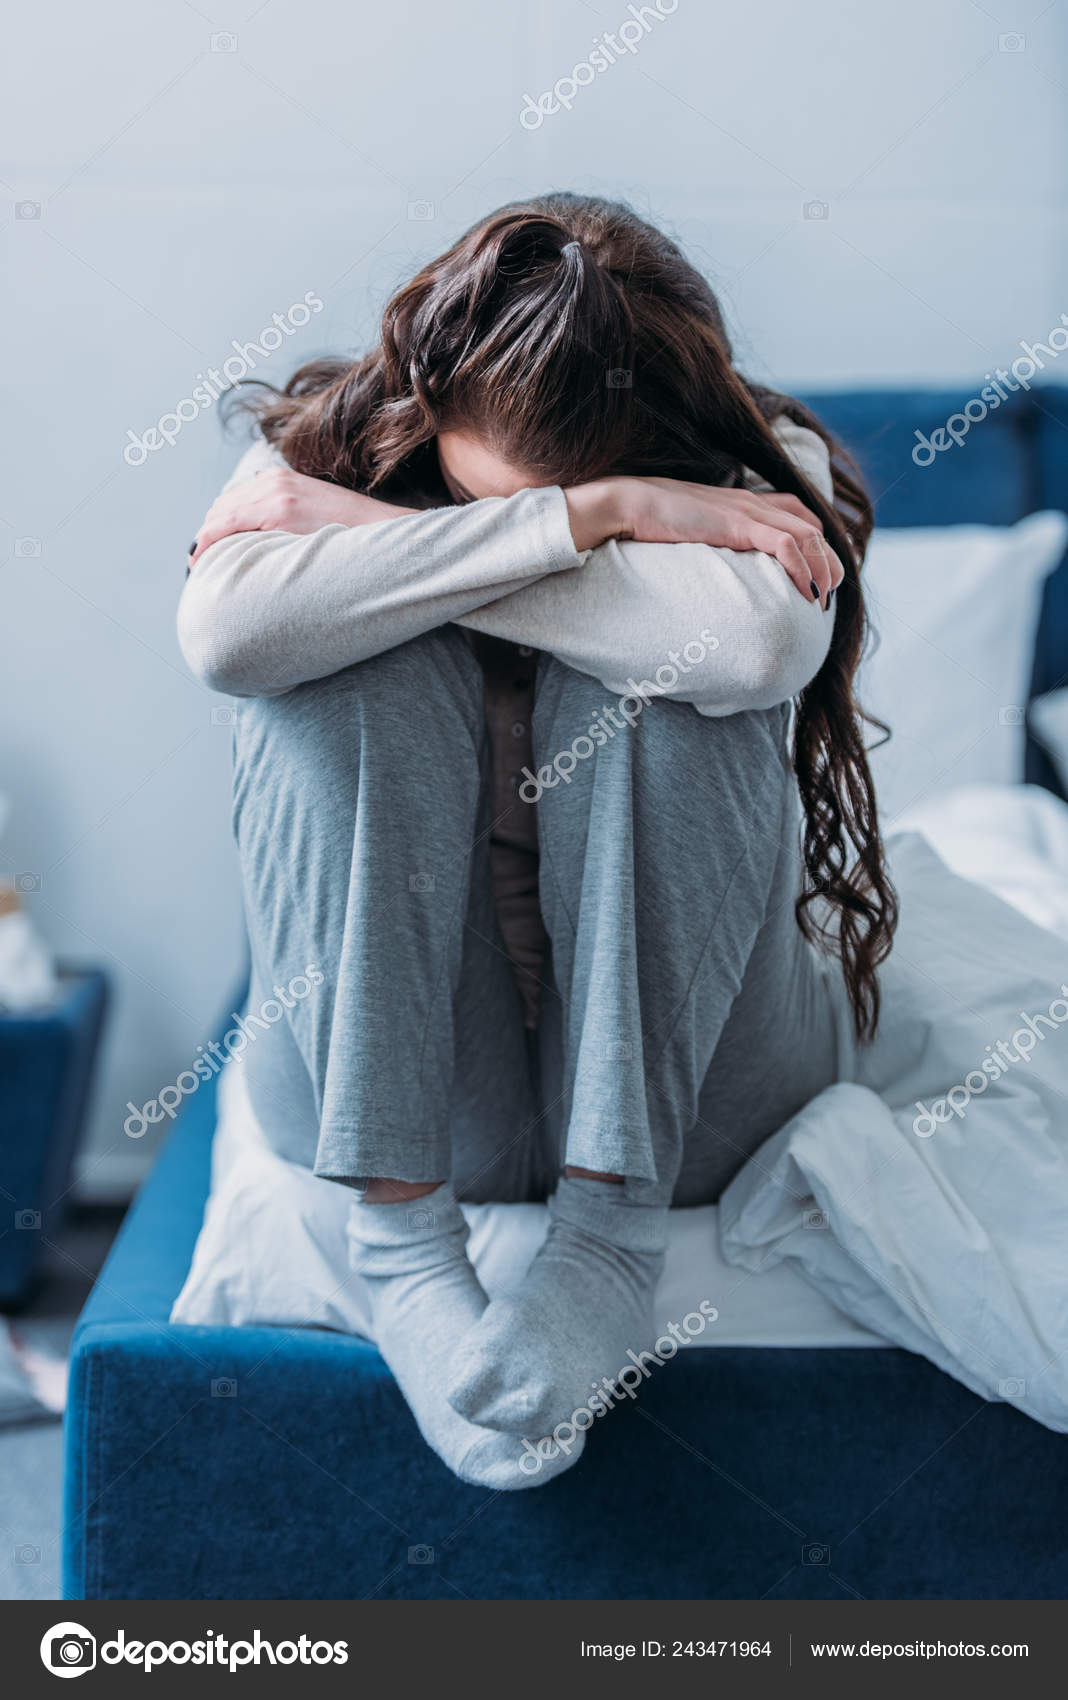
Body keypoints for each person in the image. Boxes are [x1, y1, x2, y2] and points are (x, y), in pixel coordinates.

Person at [178, 192, 896, 1489]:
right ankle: (399, 1245)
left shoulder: (755, 457)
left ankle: (609, 1239)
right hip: (410, 1078)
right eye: (471, 488)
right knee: (345, 674)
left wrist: (384, 543)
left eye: (598, 491)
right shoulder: (333, 437)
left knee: (675, 693)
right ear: (427, 398)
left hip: (696, 1089)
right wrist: (599, 517)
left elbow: (747, 644)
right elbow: (226, 639)